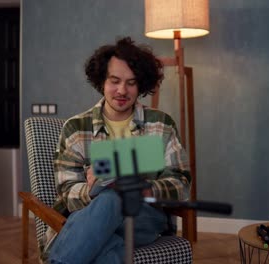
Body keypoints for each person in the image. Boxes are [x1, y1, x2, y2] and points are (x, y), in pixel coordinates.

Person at [44, 36, 191, 264]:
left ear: (140, 84)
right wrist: (92, 189)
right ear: (102, 80)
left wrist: (145, 189)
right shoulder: (75, 128)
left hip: (143, 218)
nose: (122, 90)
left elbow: (181, 184)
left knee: (113, 200)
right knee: (108, 220)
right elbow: (67, 191)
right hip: (92, 217)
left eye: (131, 83)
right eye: (114, 81)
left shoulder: (161, 125)